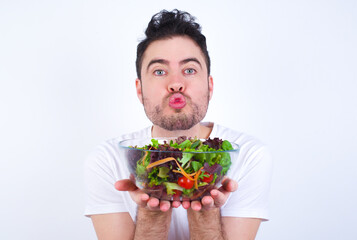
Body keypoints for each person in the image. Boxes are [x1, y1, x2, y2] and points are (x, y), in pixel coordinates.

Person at [84, 9, 272, 240]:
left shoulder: (248, 155)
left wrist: (206, 212)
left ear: (210, 86)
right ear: (139, 89)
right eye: (160, 71)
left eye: (189, 70)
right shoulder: (108, 160)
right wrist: (151, 213)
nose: (176, 84)